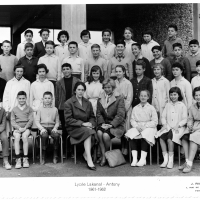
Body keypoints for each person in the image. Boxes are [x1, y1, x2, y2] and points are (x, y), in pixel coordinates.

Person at [64, 82, 97, 170]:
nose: (80, 92)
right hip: (73, 128)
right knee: (89, 132)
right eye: (79, 89)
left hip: (86, 127)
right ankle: (89, 159)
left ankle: (86, 154)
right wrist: (83, 124)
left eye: (82, 90)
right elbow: (68, 120)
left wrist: (91, 124)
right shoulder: (69, 103)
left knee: (91, 131)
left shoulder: (87, 102)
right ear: (75, 91)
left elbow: (92, 117)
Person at [96, 78, 126, 166]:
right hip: (104, 123)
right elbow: (98, 113)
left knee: (105, 135)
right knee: (99, 132)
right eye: (105, 87)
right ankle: (104, 155)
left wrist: (111, 124)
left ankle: (104, 156)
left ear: (113, 88)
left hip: (116, 125)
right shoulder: (100, 98)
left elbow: (120, 115)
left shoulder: (119, 98)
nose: (107, 89)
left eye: (109, 87)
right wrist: (102, 123)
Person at [156, 87, 187, 169]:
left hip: (178, 128)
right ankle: (165, 160)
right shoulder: (168, 105)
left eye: (175, 95)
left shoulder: (182, 105)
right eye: (171, 95)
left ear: (178, 95)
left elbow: (185, 119)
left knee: (170, 139)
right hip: (168, 126)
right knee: (161, 138)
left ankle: (170, 161)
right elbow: (163, 117)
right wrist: (164, 124)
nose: (173, 96)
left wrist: (178, 125)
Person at [125, 89, 158, 167]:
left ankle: (143, 159)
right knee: (132, 134)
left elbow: (155, 121)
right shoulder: (135, 108)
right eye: (141, 96)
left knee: (145, 135)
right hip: (138, 126)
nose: (143, 97)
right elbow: (132, 120)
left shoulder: (151, 108)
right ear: (139, 97)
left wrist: (145, 126)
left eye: (145, 96)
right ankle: (135, 159)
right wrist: (136, 126)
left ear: (148, 97)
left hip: (149, 127)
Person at [55, 63, 80, 156]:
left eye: (67, 69)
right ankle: (65, 150)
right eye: (64, 69)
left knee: (73, 128)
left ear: (71, 70)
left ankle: (73, 149)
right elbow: (57, 97)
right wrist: (57, 108)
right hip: (62, 108)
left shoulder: (77, 81)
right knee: (65, 129)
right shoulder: (58, 83)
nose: (66, 71)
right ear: (62, 71)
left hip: (74, 107)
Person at [35, 91, 60, 164]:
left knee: (56, 136)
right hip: (43, 127)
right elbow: (37, 121)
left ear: (52, 99)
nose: (47, 100)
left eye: (49, 98)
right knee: (44, 136)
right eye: (45, 98)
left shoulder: (55, 109)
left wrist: (55, 128)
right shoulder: (40, 109)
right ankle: (43, 155)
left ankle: (55, 155)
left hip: (52, 127)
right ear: (42, 99)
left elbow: (57, 121)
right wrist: (41, 129)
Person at [11, 91, 33, 169]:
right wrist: (18, 128)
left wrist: (25, 128)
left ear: (26, 98)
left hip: (26, 128)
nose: (21, 100)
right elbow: (13, 121)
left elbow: (30, 120)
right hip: (17, 128)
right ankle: (18, 159)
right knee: (17, 137)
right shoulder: (14, 109)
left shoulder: (29, 109)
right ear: (17, 99)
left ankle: (25, 158)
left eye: (23, 98)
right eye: (20, 98)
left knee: (24, 136)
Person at [180, 86, 200, 173]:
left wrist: (195, 128)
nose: (198, 97)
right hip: (195, 125)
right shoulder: (193, 106)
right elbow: (190, 118)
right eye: (196, 95)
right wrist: (190, 126)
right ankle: (187, 160)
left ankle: (189, 164)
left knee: (193, 137)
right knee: (184, 137)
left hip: (198, 127)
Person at [115, 65, 133, 155]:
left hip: (126, 109)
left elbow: (129, 98)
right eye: (116, 71)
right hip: (117, 110)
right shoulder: (114, 82)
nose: (118, 73)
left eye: (120, 71)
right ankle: (122, 148)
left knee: (127, 129)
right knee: (120, 129)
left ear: (124, 72)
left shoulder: (128, 83)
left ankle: (128, 150)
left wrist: (124, 110)